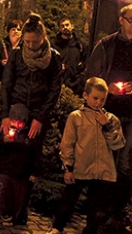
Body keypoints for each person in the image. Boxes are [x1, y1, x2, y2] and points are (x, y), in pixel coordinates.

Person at [0, 13, 63, 226]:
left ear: (43, 36)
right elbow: (6, 85)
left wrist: (40, 118)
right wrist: (5, 115)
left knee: (28, 167)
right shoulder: (17, 55)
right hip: (15, 115)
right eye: (27, 41)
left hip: (37, 117)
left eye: (35, 41)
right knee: (8, 161)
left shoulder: (53, 58)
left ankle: (21, 211)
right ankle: (6, 208)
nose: (31, 45)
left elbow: (54, 91)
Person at [46, 77, 125, 234]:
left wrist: (106, 126)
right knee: (68, 201)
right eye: (95, 98)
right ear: (85, 95)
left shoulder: (111, 119)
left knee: (96, 208)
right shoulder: (76, 117)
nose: (99, 102)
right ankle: (57, 227)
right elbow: (67, 144)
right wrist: (68, 167)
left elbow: (118, 144)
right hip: (80, 168)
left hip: (103, 172)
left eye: (103, 99)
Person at [85, 3, 132, 230]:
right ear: (121, 20)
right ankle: (97, 209)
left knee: (125, 164)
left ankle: (116, 210)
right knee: (103, 160)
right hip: (108, 111)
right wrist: (108, 86)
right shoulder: (106, 44)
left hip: (131, 113)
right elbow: (91, 75)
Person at [51, 17, 87, 95]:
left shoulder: (80, 44)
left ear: (72, 26)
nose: (65, 28)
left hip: (75, 82)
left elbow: (86, 60)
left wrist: (80, 70)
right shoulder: (54, 44)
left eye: (67, 25)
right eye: (62, 26)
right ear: (60, 28)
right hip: (58, 82)